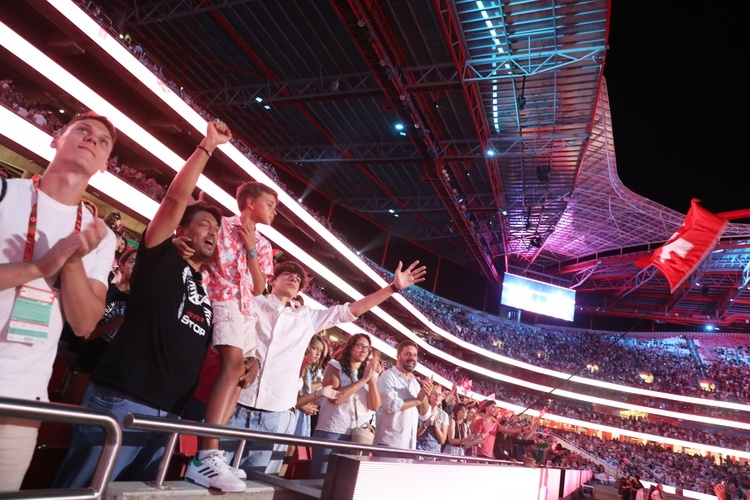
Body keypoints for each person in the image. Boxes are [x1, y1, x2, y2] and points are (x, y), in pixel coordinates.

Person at [52, 120, 233, 489]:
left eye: (217, 229)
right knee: (84, 493)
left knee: (132, 498)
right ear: (180, 231)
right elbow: (175, 200)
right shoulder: (159, 257)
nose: (213, 232)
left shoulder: (209, 287)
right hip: (123, 401)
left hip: (171, 415)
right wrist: (208, 146)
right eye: (204, 225)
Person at [0, 111, 118, 492]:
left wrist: (72, 263)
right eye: (82, 130)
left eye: (103, 141)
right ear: (56, 139)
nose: (92, 140)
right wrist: (39, 266)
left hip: (22, 401)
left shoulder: (101, 236)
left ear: (103, 165)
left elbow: (85, 325)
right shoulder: (6, 194)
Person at [223, 259, 426, 476]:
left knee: (252, 486)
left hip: (274, 413)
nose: (294, 278)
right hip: (238, 401)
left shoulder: (307, 317)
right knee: (209, 480)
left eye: (298, 278)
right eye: (288, 274)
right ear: (271, 280)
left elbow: (352, 310)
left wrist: (393, 288)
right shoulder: (253, 305)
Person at [185, 180, 278, 490]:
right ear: (250, 202)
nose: (274, 211)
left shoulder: (263, 245)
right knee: (232, 367)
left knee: (242, 376)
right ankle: (207, 453)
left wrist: (251, 247)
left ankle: (210, 455)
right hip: (221, 298)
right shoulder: (222, 226)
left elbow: (258, 287)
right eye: (270, 204)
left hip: (247, 310)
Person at [61, 247, 136, 405]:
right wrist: (123, 319)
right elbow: (86, 334)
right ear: (121, 266)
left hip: (111, 377)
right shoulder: (104, 292)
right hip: (85, 366)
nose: (137, 267)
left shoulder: (139, 302)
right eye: (133, 261)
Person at [309, 333, 382, 478]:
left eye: (367, 348)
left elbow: (375, 406)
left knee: (345, 483)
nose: (364, 350)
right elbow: (335, 398)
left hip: (357, 436)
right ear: (350, 347)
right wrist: (363, 380)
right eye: (360, 345)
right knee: (320, 480)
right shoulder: (335, 366)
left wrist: (371, 379)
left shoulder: (367, 374)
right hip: (331, 431)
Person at [373, 339, 434, 451]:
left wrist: (424, 394)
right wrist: (417, 400)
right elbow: (391, 405)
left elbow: (424, 414)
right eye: (408, 354)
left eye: (415, 355)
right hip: (389, 445)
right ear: (398, 356)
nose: (412, 358)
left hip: (409, 446)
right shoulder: (387, 376)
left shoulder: (415, 383)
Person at [415, 386, 449, 458]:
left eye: (439, 394)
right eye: (435, 393)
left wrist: (436, 426)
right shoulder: (420, 410)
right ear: (429, 395)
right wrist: (425, 425)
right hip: (419, 448)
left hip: (434, 451)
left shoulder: (444, 415)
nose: (437, 396)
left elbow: (442, 440)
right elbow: (414, 434)